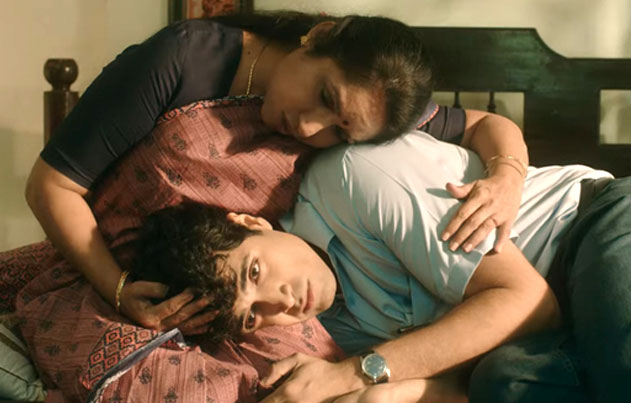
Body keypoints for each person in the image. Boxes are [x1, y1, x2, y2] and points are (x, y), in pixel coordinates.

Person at [24, 11, 527, 334]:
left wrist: (507, 177)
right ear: (319, 37)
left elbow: (485, 125)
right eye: (325, 96)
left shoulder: (374, 106)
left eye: (339, 132)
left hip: (239, 298)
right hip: (115, 268)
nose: (308, 128)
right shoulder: (183, 58)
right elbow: (52, 185)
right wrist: (118, 290)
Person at [134, 128, 630, 403]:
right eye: (251, 316)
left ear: (251, 223)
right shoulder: (330, 330)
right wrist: (399, 391)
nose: (280, 304)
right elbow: (463, 365)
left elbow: (528, 303)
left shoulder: (354, 180)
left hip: (589, 228)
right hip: (548, 333)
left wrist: (356, 374)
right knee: (503, 386)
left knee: (620, 359)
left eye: (255, 273)